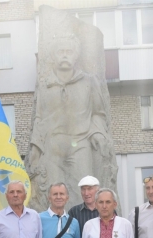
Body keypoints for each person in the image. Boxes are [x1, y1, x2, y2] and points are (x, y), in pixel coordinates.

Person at [28, 35, 117, 209]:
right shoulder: (45, 85)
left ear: (75, 56)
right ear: (54, 56)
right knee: (53, 194)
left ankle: (83, 229)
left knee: (84, 192)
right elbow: (38, 118)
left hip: (80, 144)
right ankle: (56, 231)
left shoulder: (89, 82)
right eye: (61, 52)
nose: (65, 55)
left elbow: (98, 113)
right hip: (52, 145)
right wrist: (35, 147)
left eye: (69, 52)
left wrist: (98, 134)